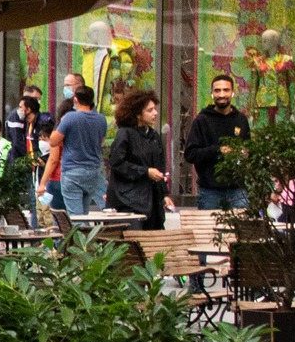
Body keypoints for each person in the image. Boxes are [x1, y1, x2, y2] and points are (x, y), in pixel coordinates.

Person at [183, 73, 252, 212]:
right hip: (210, 192)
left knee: (241, 232)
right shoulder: (202, 120)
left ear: (233, 93)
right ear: (212, 93)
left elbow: (249, 149)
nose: (221, 94)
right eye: (217, 90)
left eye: (226, 90)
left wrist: (246, 153)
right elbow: (190, 154)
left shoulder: (241, 119)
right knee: (209, 232)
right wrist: (218, 150)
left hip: (238, 190)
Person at [106, 88, 171, 230]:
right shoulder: (125, 134)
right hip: (128, 201)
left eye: (155, 109)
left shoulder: (154, 136)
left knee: (154, 245)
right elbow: (118, 164)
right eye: (150, 110)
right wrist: (145, 172)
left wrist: (164, 195)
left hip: (152, 202)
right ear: (138, 114)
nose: (155, 113)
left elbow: (159, 168)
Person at [55, 83, 109, 217]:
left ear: (75, 100)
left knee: (75, 216)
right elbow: (101, 141)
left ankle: (79, 237)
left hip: (72, 171)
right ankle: (86, 237)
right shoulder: (101, 119)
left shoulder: (70, 117)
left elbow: (54, 140)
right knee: (84, 213)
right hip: (93, 171)